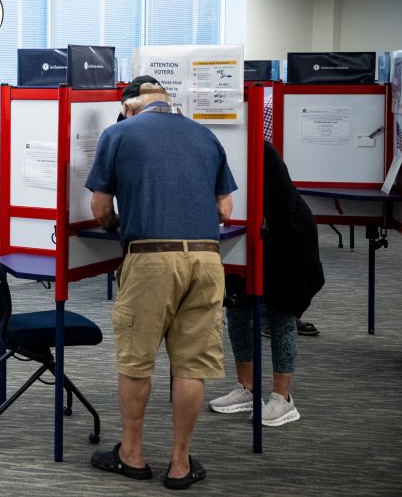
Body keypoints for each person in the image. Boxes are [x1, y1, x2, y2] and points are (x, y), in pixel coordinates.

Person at [86, 79, 236, 491]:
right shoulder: (205, 135)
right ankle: (180, 464)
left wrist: (119, 223)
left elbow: (99, 207)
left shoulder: (117, 134)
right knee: (191, 365)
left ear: (130, 108)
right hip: (207, 259)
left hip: (151, 258)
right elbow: (226, 207)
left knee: (137, 359)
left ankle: (132, 455)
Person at [209, 141, 324, 426]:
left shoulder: (261, 151)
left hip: (285, 239)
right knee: (236, 311)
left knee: (280, 315)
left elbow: (284, 206)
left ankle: (283, 398)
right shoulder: (210, 148)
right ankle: (247, 389)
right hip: (243, 238)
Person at [262, 92, 321, 337]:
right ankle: (277, 316)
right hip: (285, 217)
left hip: (288, 223)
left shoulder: (260, 147)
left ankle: (276, 318)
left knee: (284, 298)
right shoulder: (273, 104)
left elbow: (283, 206)